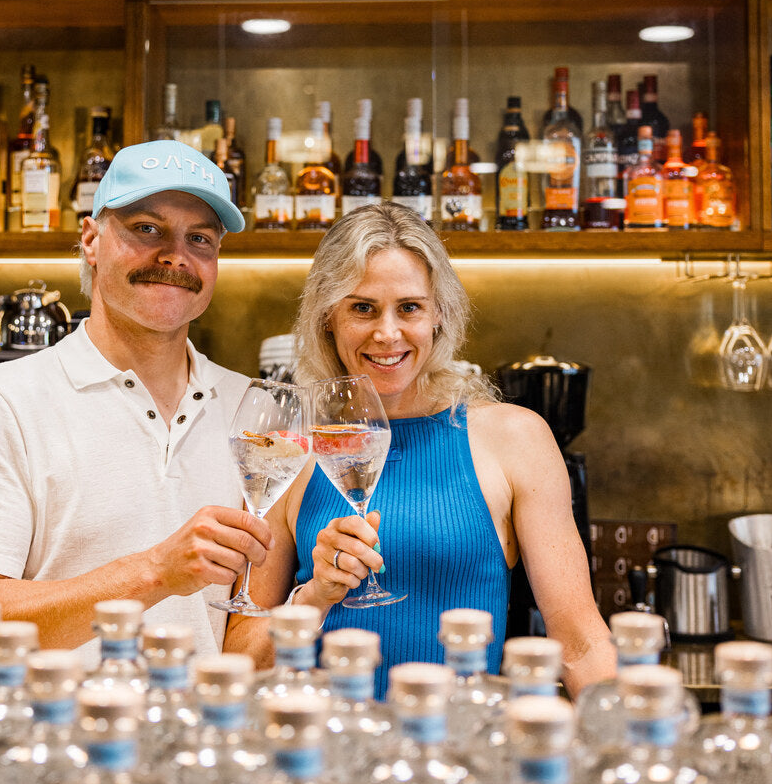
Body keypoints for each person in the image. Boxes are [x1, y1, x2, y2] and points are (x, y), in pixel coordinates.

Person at [224, 201, 616, 698]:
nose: (387, 333)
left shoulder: (515, 438)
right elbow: (241, 664)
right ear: (328, 318)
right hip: (324, 742)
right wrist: (314, 597)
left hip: (459, 739)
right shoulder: (292, 447)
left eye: (409, 307)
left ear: (439, 315)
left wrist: (637, 732)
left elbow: (580, 644)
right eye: (362, 308)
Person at [0, 140, 272, 664]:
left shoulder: (252, 409)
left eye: (200, 238)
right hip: (51, 717)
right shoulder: (4, 401)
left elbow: (248, 636)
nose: (175, 255)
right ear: (91, 239)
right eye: (147, 228)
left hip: (200, 718)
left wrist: (319, 592)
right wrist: (154, 572)